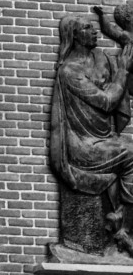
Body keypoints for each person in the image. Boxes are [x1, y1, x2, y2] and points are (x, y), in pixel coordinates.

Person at [50, 13, 133, 254]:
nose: (95, 31)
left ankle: (121, 218)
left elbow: (123, 83)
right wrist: (122, 73)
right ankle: (125, 228)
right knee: (131, 153)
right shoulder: (69, 72)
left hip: (105, 138)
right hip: (83, 146)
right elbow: (107, 101)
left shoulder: (102, 57)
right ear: (74, 35)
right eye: (87, 28)